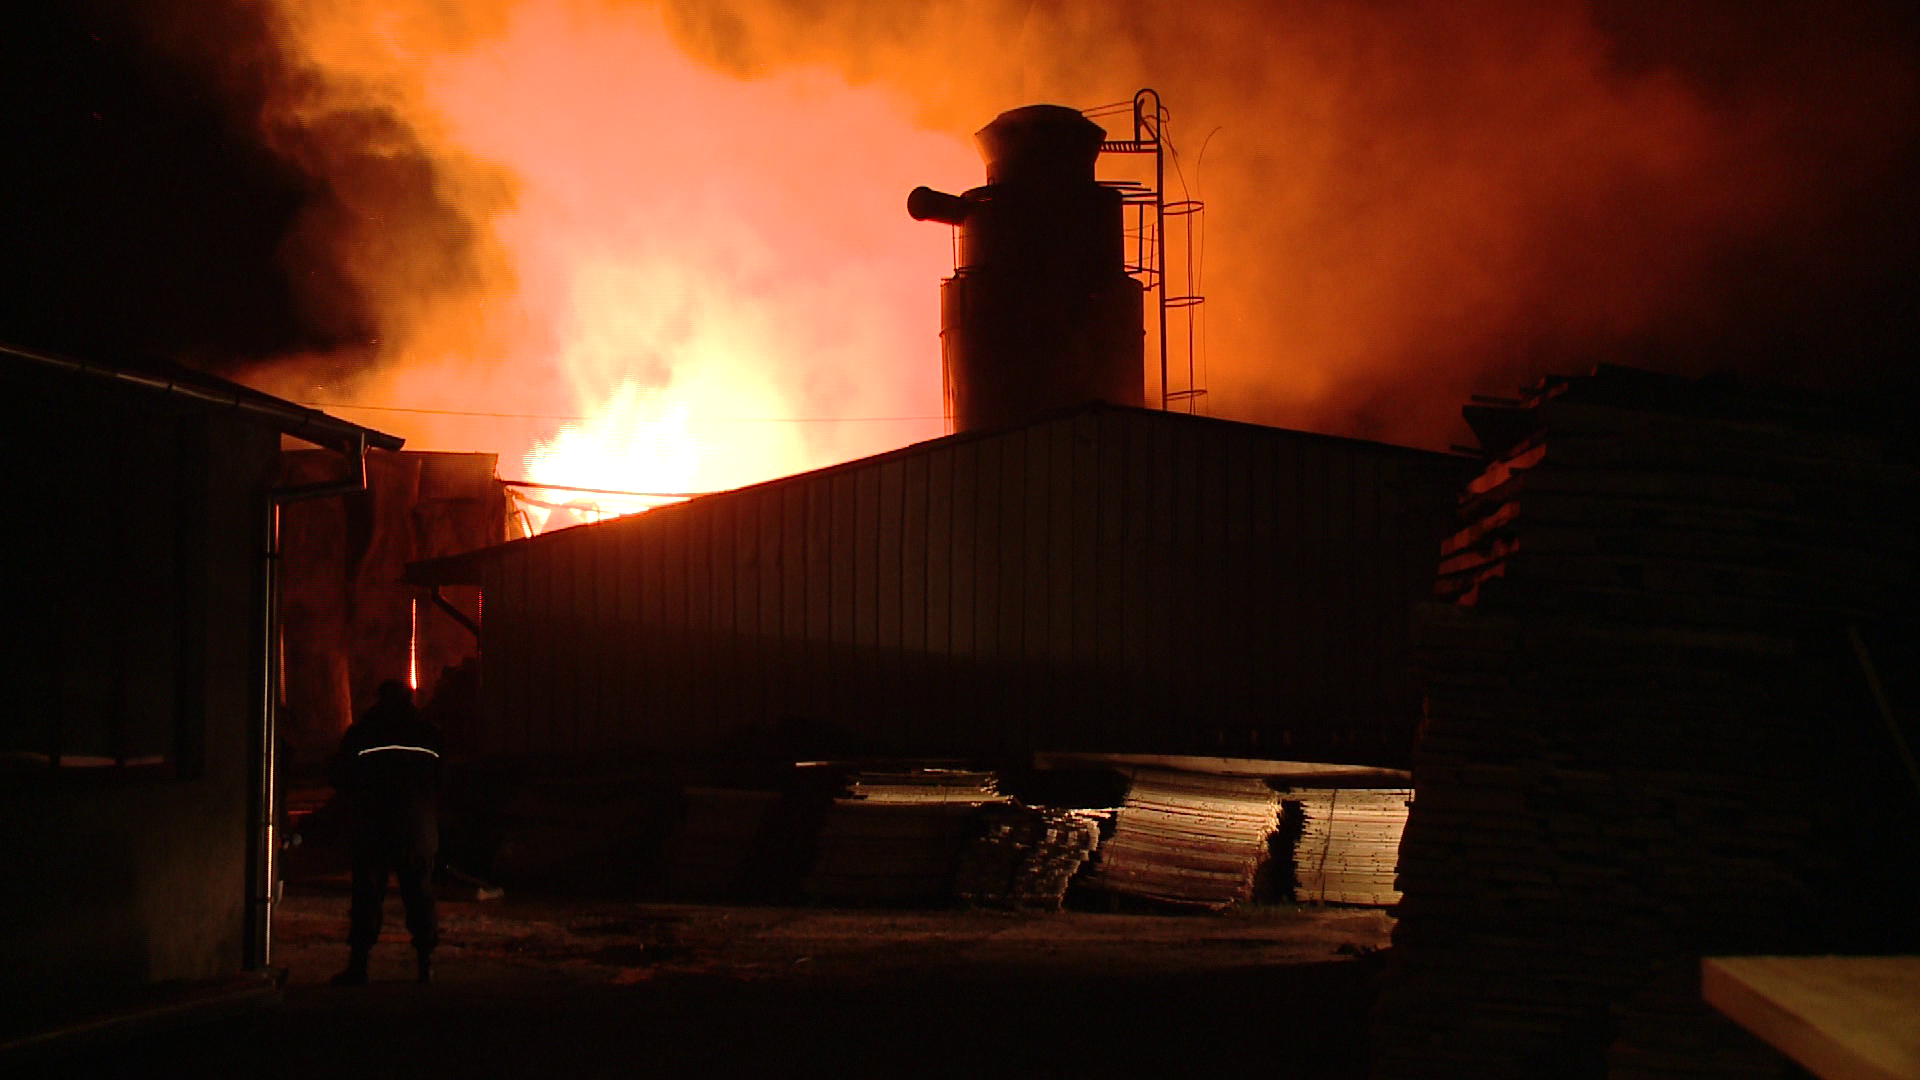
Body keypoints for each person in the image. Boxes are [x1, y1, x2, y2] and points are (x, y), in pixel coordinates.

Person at [327, 679, 444, 984]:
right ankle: (425, 964)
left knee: (367, 896)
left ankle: (360, 966)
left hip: (373, 828)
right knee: (419, 895)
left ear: (379, 699)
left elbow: (340, 776)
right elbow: (445, 780)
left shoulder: (363, 733)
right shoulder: (428, 734)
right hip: (416, 830)